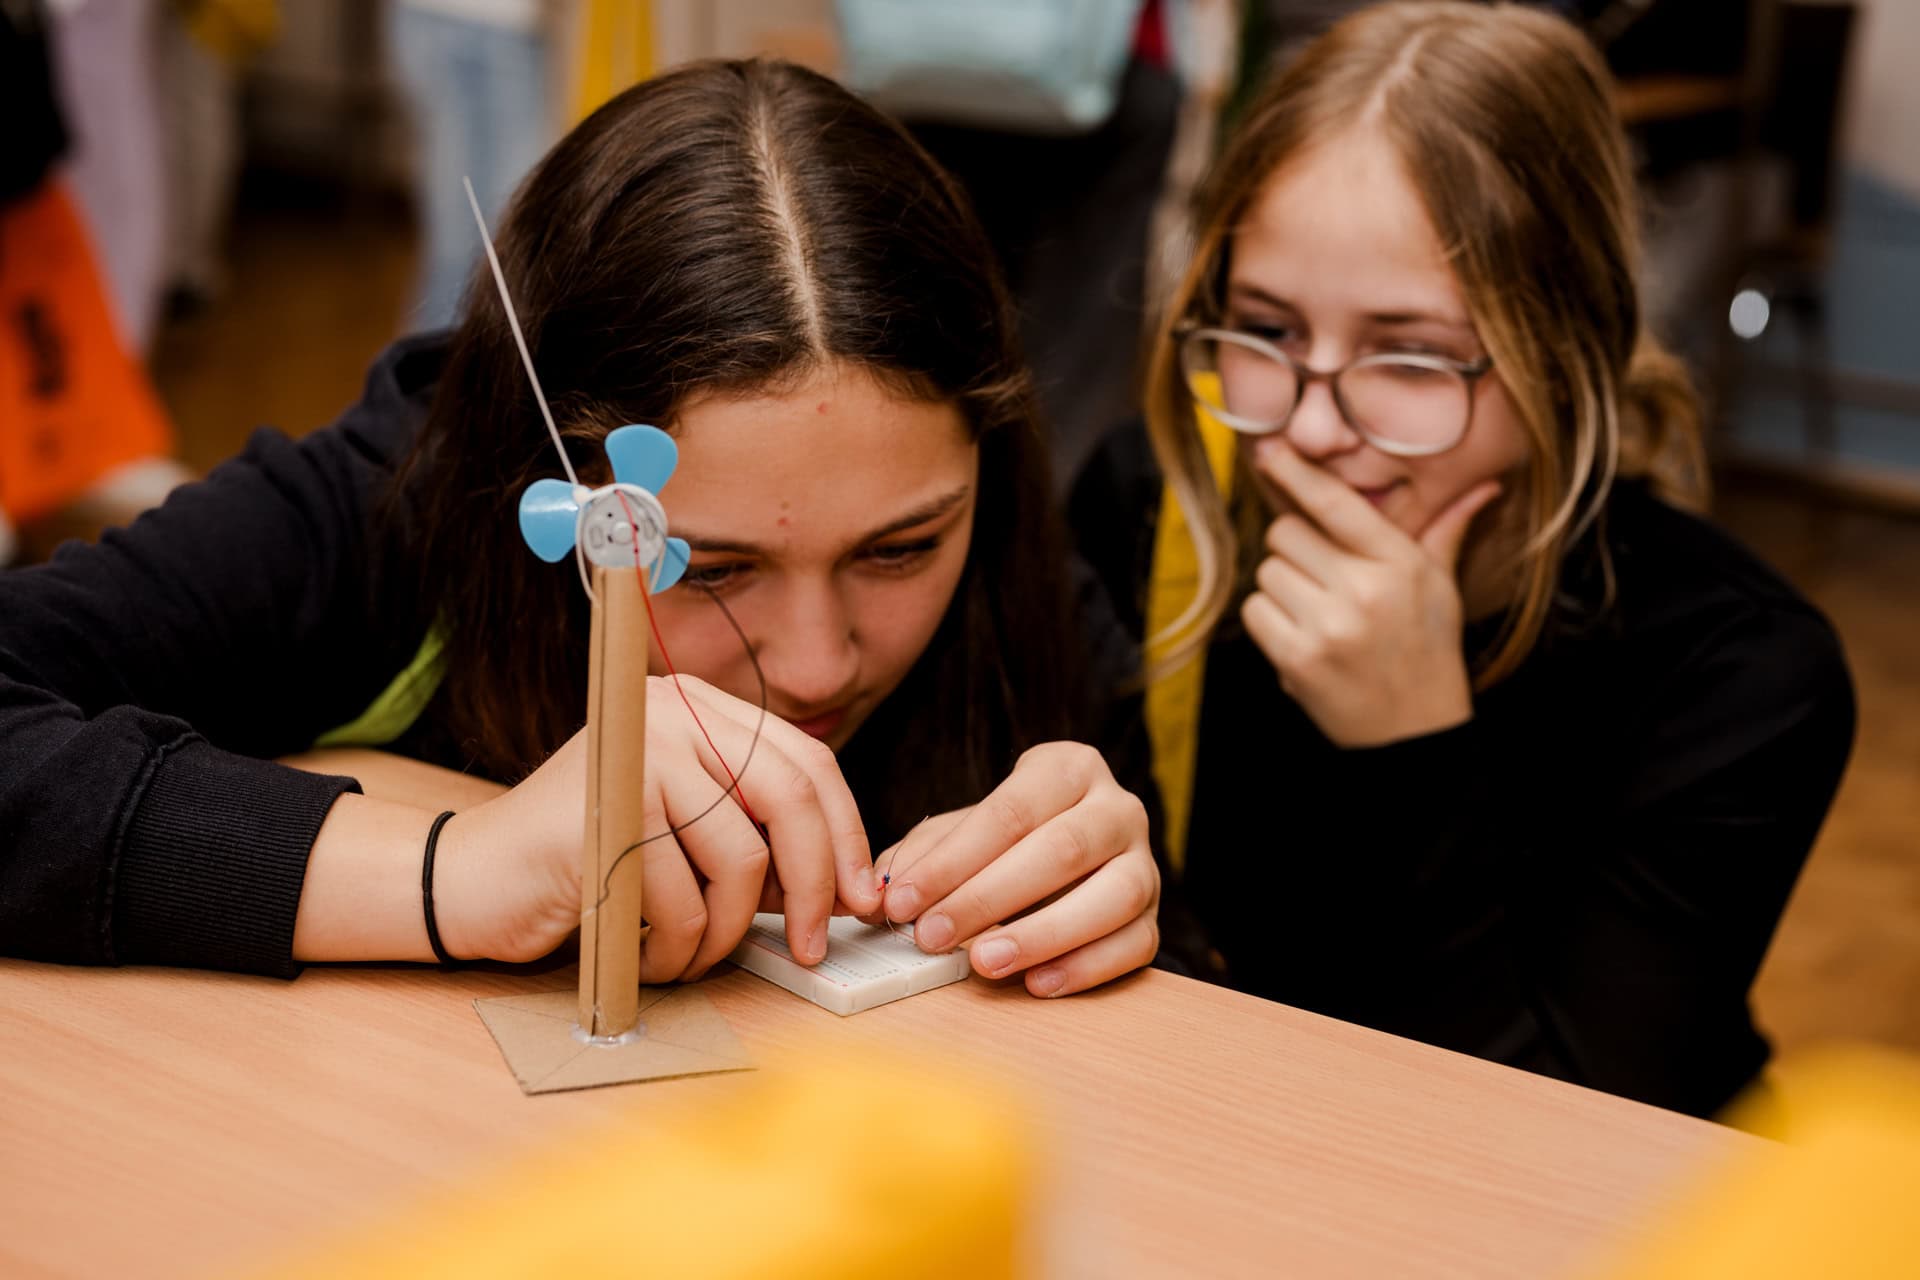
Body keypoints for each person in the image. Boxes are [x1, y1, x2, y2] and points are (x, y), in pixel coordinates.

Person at [0, 59, 1158, 1000]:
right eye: (705, 564)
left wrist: (1113, 879)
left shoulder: (1027, 564)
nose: (814, 662)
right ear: (550, 473)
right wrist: (460, 870)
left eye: (901, 549)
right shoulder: (388, 508)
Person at [1070, 1, 1853, 1116]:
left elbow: (1566, 1149)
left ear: (1563, 355)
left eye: (1409, 354)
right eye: (1267, 327)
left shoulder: (1739, 671)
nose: (1312, 424)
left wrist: (1410, 751)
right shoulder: (1151, 503)